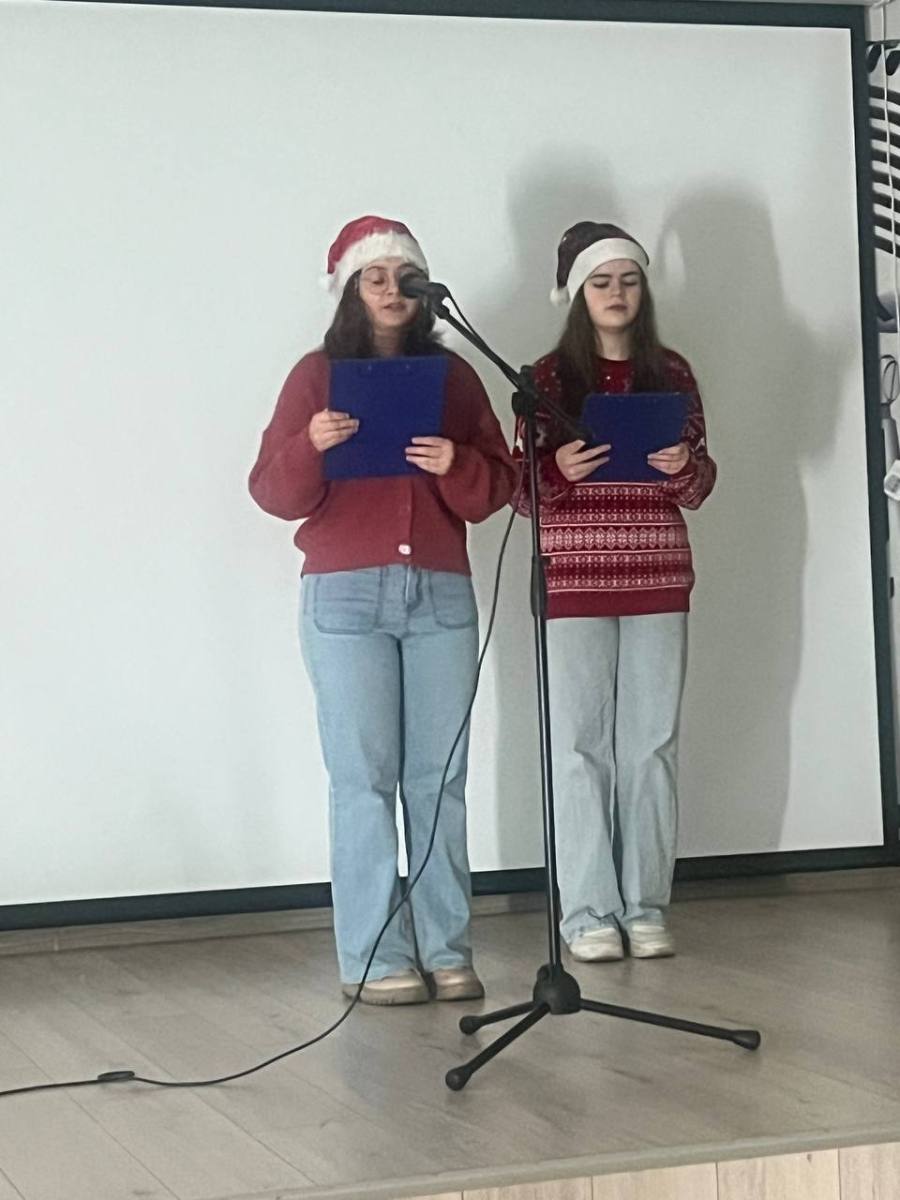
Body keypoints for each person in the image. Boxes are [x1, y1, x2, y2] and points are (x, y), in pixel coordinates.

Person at [249, 216, 516, 1004]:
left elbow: (495, 487)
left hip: (439, 592)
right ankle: (373, 956)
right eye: (376, 277)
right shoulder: (316, 376)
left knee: (440, 779)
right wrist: (312, 444)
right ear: (351, 290)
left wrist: (456, 462)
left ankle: (446, 948)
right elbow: (272, 492)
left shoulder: (454, 379)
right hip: (345, 596)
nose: (392, 290)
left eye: (405, 277)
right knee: (363, 779)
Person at [521, 221, 716, 962]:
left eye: (629, 281)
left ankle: (645, 906)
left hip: (658, 576)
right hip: (574, 578)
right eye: (601, 282)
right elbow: (520, 491)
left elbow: (700, 485)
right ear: (577, 294)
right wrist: (557, 472)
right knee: (579, 749)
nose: (617, 293)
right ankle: (588, 914)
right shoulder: (545, 379)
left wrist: (683, 466)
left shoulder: (672, 370)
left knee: (651, 746)